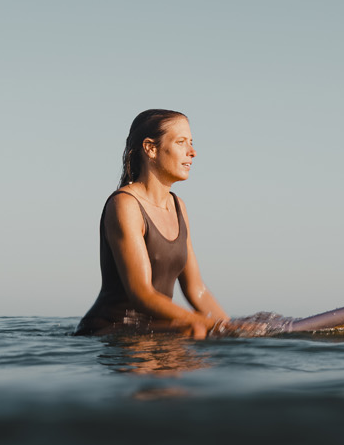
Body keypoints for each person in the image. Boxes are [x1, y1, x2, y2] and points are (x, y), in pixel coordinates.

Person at [75, 109, 230, 338]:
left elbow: (197, 290)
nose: (193, 151)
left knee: (217, 331)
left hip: (155, 329)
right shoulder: (125, 204)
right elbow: (142, 294)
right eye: (181, 142)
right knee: (194, 329)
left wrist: (229, 326)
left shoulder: (178, 206)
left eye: (191, 142)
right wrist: (207, 325)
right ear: (151, 149)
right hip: (108, 328)